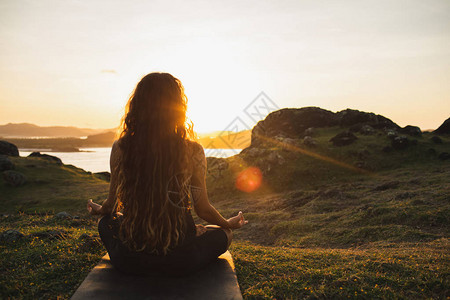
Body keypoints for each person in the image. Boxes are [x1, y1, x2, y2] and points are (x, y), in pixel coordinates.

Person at [86, 72, 248, 277]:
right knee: (224, 234)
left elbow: (111, 206)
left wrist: (100, 210)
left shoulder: (121, 148)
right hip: (181, 259)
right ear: (177, 108)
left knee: (105, 223)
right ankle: (188, 234)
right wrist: (228, 223)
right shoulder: (193, 151)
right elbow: (203, 208)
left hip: (130, 259)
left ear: (138, 106)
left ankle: (187, 233)